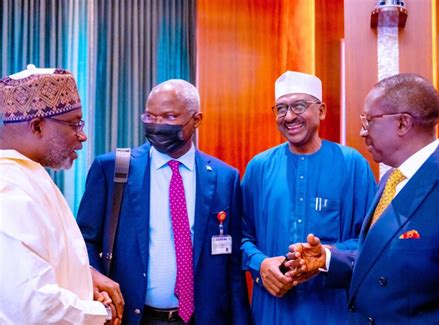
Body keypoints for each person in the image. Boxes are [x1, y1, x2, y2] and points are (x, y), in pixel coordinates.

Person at [286, 73, 439, 323]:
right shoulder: (391, 179)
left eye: (368, 121)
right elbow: (384, 261)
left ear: (402, 124)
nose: (362, 132)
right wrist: (328, 259)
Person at [76, 79, 251, 324]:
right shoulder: (113, 169)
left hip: (202, 318)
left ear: (197, 120)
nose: (157, 126)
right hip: (133, 317)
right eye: (150, 117)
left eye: (169, 117)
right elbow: (84, 239)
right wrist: (95, 278)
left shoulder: (225, 178)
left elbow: (232, 264)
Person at [240, 70, 376, 324]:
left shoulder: (352, 165)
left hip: (333, 311)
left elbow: (371, 242)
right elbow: (239, 235)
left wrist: (324, 256)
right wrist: (260, 264)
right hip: (273, 311)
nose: (289, 116)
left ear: (321, 110)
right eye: (281, 108)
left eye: (299, 106)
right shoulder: (259, 167)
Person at [0, 65, 123, 324]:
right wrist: (101, 312)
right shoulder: (8, 188)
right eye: (73, 124)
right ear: (36, 126)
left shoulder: (28, 175)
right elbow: (35, 309)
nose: (83, 135)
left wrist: (83, 276)